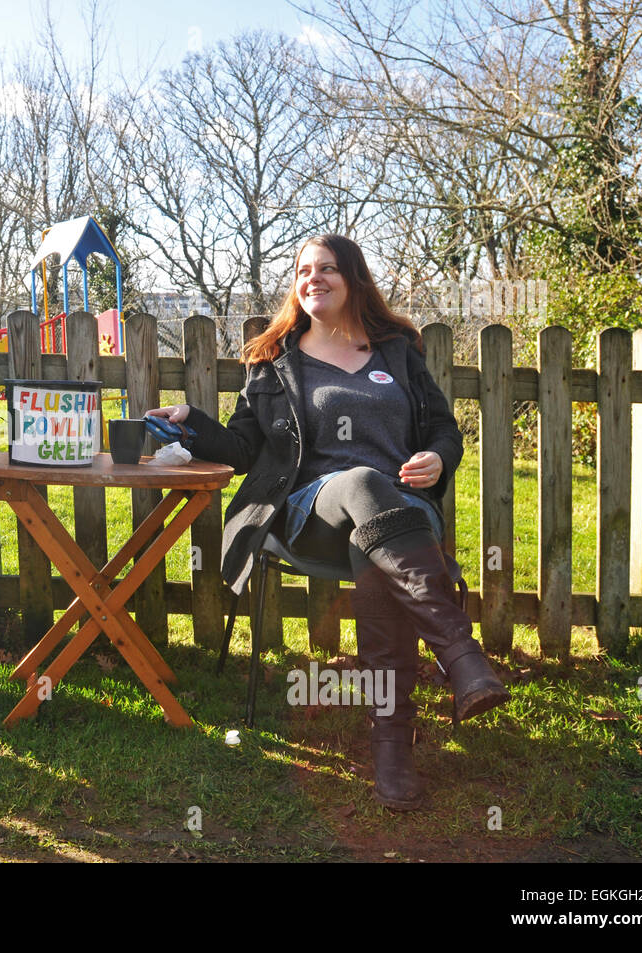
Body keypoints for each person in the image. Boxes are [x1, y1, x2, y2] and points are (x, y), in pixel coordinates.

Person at [149, 234, 509, 810]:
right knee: (361, 481)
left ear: (354, 280)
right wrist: (192, 422)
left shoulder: (398, 352)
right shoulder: (276, 363)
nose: (312, 278)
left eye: (328, 269)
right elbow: (243, 449)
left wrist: (439, 457)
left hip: (398, 515)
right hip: (307, 509)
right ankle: (459, 654)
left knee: (378, 555)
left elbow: (443, 429)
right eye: (303, 270)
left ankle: (392, 745)